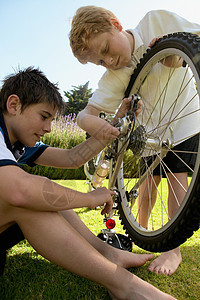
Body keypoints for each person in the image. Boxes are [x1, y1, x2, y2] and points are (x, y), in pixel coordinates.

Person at [0, 67, 178, 300]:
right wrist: (90, 198)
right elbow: (19, 191)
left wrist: (115, 124)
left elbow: (71, 158)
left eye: (52, 120)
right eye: (44, 117)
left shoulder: (15, 142)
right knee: (31, 198)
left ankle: (108, 254)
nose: (48, 128)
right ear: (14, 105)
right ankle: (125, 286)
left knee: (41, 196)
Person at [69, 6, 200, 276]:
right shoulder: (115, 75)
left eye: (106, 49)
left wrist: (175, 57)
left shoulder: (154, 22)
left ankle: (172, 249)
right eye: (100, 62)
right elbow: (85, 115)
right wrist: (98, 125)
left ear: (115, 24)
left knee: (176, 175)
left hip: (184, 115)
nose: (109, 61)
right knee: (149, 180)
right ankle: (146, 232)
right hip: (150, 132)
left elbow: (194, 39)